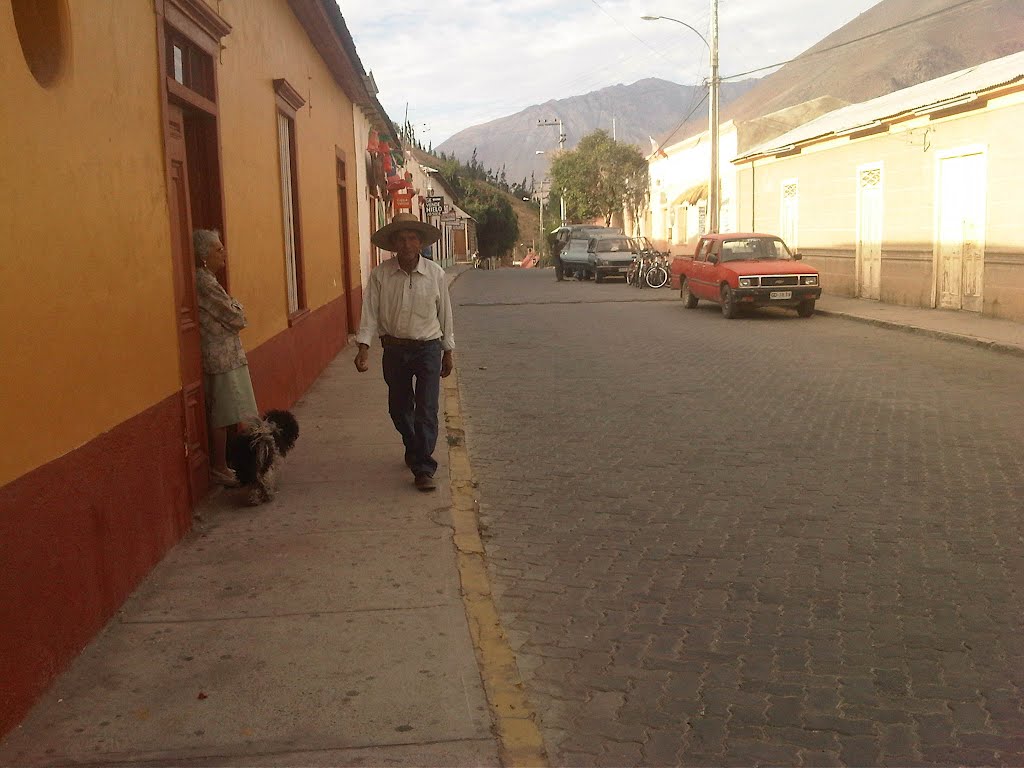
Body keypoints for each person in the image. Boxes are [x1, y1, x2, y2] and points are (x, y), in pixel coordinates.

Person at [354, 213, 455, 492]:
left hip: (428, 349)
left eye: (412, 238)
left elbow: (444, 315)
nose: (408, 243)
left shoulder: (435, 274)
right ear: (393, 244)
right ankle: (414, 446)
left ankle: (423, 467)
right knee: (399, 409)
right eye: (401, 238)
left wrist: (448, 351)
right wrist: (364, 348)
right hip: (395, 350)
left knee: (427, 408)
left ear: (421, 242)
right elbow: (369, 314)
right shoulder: (380, 275)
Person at [193, 229, 259, 487]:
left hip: (227, 353)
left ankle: (228, 462)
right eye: (218, 250)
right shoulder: (204, 282)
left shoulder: (208, 280)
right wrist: (237, 306)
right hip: (219, 355)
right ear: (204, 255)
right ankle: (219, 466)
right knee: (223, 411)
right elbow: (237, 317)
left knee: (232, 409)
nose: (224, 254)